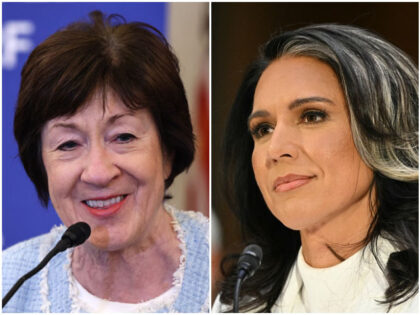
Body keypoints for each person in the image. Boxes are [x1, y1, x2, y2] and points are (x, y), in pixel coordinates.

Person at [3, 11, 209, 313]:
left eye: (123, 137)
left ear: (167, 152)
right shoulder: (9, 282)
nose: (98, 173)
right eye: (69, 143)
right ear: (41, 163)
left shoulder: (226, 270)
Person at [213, 24, 418, 312]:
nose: (276, 149)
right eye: (263, 129)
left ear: (383, 128)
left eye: (311, 116)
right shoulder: (239, 302)